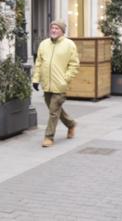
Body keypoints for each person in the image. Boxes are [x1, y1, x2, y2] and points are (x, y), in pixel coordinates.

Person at [31, 20, 79, 148]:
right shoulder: (44, 44)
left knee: (53, 111)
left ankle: (49, 137)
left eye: (57, 28)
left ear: (62, 31)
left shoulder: (69, 45)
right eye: (52, 28)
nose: (53, 30)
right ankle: (71, 124)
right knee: (55, 109)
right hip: (46, 84)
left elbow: (74, 65)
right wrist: (36, 79)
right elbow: (38, 63)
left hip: (60, 85)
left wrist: (65, 79)